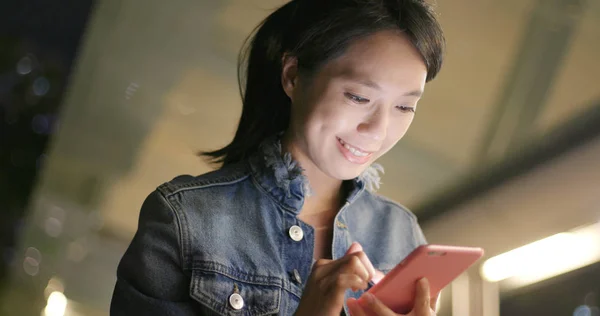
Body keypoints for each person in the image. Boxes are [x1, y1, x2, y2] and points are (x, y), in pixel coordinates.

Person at [110, 0, 445, 315]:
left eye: (404, 107)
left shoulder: (402, 234)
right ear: (293, 76)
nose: (378, 129)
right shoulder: (185, 220)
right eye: (358, 97)